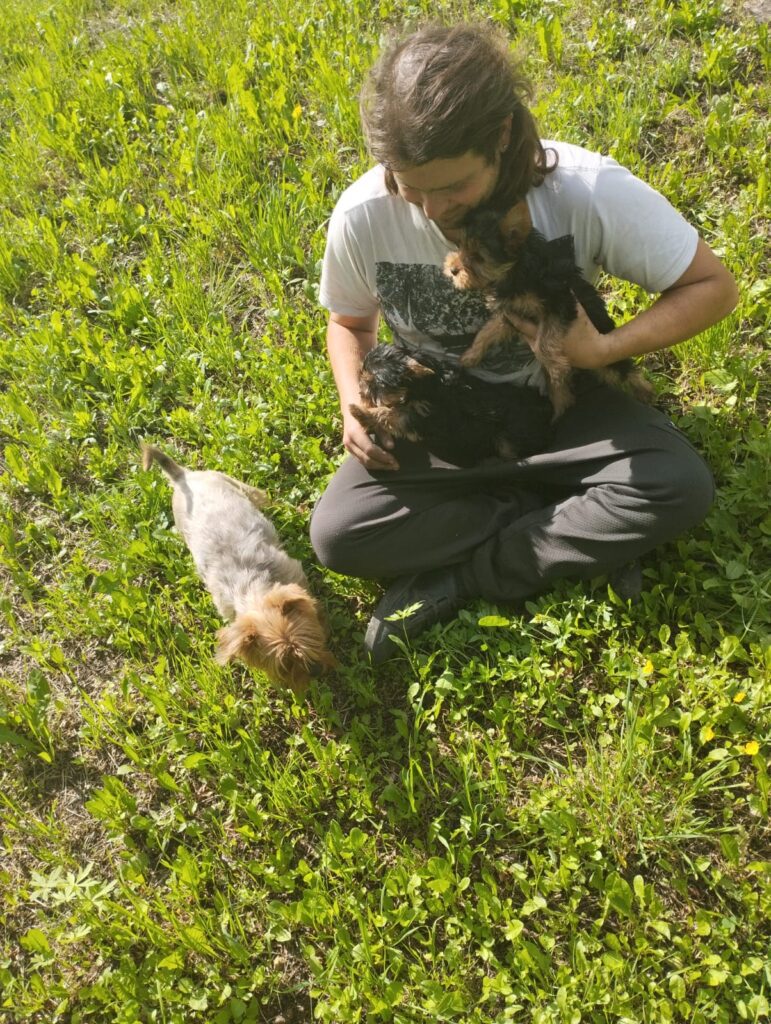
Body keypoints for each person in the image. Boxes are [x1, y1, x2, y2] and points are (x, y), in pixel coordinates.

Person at [309, 22, 739, 663]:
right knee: (340, 536)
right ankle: (555, 509)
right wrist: (353, 401)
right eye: (408, 184)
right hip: (442, 415)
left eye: (453, 186)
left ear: (502, 136)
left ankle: (466, 574)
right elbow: (348, 322)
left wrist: (602, 351)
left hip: (569, 405)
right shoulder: (364, 213)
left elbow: (712, 286)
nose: (429, 209)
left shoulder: (587, 191)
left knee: (677, 484)